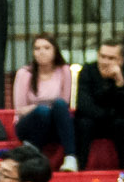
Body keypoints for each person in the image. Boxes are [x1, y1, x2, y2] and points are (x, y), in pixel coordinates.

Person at [76, 38, 124, 173]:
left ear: (121, 60)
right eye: (102, 56)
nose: (105, 61)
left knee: (123, 125)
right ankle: (80, 169)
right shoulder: (87, 70)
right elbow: (84, 105)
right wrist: (109, 113)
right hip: (93, 120)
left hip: (117, 122)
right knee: (84, 123)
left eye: (111, 58)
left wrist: (120, 83)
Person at [12, 35, 78, 169]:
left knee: (59, 105)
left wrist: (36, 106)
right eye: (37, 48)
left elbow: (64, 102)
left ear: (55, 50)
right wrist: (39, 108)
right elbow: (21, 110)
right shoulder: (25, 73)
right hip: (28, 125)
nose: (41, 52)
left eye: (46, 48)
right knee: (42, 112)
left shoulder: (64, 70)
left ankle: (70, 158)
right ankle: (34, 154)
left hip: (54, 124)